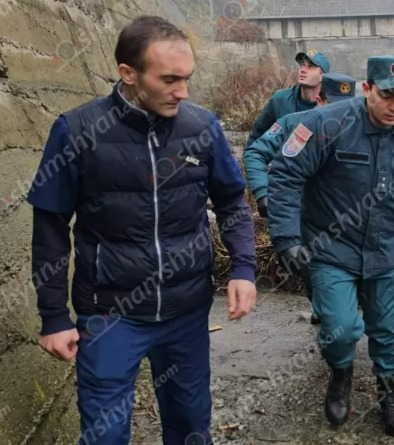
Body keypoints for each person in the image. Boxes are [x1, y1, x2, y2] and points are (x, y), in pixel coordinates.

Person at [26, 16, 257, 445]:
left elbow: (231, 202)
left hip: (186, 311)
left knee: (190, 425)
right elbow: (51, 226)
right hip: (109, 314)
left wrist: (243, 267)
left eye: (187, 78)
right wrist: (54, 316)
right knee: (105, 435)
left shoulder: (201, 128)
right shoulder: (76, 131)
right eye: (169, 79)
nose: (182, 92)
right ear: (128, 74)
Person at [267, 56, 394, 437]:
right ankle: (341, 373)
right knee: (341, 329)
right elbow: (285, 175)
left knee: (387, 329)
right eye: (386, 96)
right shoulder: (326, 124)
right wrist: (288, 240)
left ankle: (388, 392)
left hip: (384, 250)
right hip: (330, 251)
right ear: (367, 88)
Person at [244, 72, 356, 325]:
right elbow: (255, 153)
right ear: (320, 100)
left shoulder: (362, 130)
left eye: (345, 105)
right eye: (333, 104)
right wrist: (263, 193)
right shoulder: (294, 124)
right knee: (314, 271)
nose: (340, 112)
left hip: (348, 218)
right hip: (306, 218)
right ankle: (321, 305)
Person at [246, 49, 331, 148]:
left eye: (311, 67)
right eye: (302, 65)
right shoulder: (280, 99)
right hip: (281, 161)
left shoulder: (330, 105)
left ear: (323, 76)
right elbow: (257, 135)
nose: (303, 70)